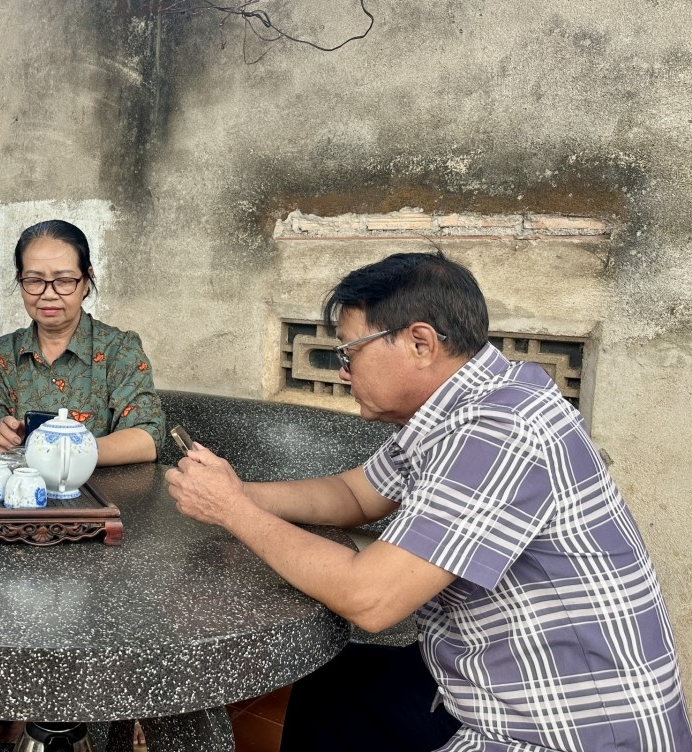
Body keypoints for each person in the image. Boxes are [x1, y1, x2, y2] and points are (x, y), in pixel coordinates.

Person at [165, 251, 692, 751]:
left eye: (350, 351)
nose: (344, 371)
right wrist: (239, 492)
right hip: (481, 679)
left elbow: (371, 598)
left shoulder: (502, 429)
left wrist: (233, 512)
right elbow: (355, 494)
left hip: (561, 728)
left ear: (420, 342)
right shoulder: (463, 405)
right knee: (330, 688)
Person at [0, 219, 164, 465]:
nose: (48, 294)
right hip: (19, 485)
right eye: (34, 280)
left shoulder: (120, 349)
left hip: (101, 487)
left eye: (64, 281)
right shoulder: (0, 353)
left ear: (86, 281)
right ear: (20, 281)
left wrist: (73, 451)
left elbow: (147, 437)